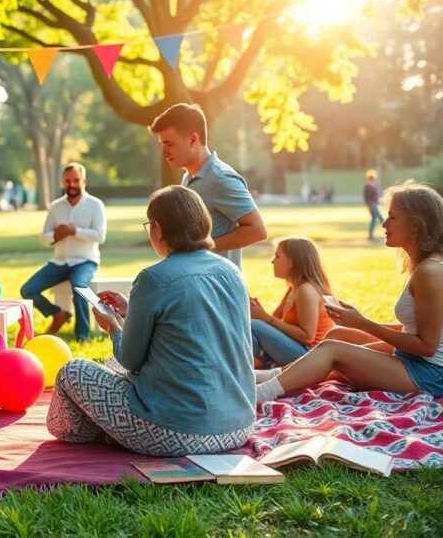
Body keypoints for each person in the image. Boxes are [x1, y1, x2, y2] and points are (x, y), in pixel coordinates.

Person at [46, 186, 255, 456]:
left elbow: (129, 359)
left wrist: (113, 326)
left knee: (72, 372)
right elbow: (191, 322)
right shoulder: (232, 271)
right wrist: (134, 310)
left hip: (176, 432)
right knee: (110, 368)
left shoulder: (154, 278)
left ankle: (99, 432)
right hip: (238, 426)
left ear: (158, 228)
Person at [256, 181, 443, 402]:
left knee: (332, 350)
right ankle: (274, 376)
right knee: (337, 334)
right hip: (415, 360)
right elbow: (414, 330)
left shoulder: (430, 271)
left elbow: (426, 346)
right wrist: (355, 320)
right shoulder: (426, 267)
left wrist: (362, 323)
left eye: (392, 217)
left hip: (429, 375)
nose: (383, 224)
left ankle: (259, 393)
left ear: (415, 224)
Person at [149, 103, 267, 268]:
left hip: (218, 286)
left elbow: (258, 230)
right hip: (196, 281)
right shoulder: (188, 178)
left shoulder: (221, 178)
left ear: (192, 139)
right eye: (162, 145)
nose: (164, 152)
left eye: (169, 144)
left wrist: (203, 247)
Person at [19, 163, 107, 341]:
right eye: (68, 181)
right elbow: (44, 237)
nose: (72, 185)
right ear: (63, 182)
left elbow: (100, 235)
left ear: (84, 181)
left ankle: (82, 336)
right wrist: (56, 235)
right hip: (59, 262)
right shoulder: (56, 206)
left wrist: (74, 230)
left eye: (76, 180)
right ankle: (58, 314)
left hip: (85, 261)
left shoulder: (95, 205)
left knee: (79, 286)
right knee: (27, 290)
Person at [250, 237, 337, 367]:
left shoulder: (306, 290)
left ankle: (259, 366)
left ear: (293, 262)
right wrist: (259, 312)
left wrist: (265, 319)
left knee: (254, 326)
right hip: (297, 349)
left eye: (277, 256)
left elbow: (308, 337)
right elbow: (275, 322)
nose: (272, 261)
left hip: (310, 354)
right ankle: (258, 365)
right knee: (249, 325)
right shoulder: (293, 288)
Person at [365, 170, 384, 240]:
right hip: (372, 205)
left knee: (376, 219)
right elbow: (367, 197)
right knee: (379, 218)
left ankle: (370, 235)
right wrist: (368, 205)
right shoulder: (368, 186)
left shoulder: (371, 186)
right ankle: (370, 235)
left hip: (374, 204)